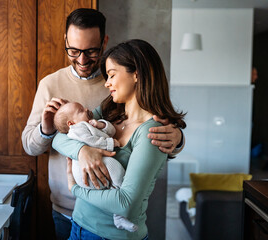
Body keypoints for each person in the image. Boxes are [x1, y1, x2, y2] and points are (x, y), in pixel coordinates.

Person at [21, 8, 184, 240]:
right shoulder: (61, 88)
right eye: (74, 50)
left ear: (104, 42)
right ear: (65, 41)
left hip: (108, 225)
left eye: (91, 51)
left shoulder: (116, 97)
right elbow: (50, 139)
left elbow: (154, 137)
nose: (82, 59)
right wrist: (82, 150)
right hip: (68, 212)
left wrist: (178, 139)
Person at [52, 39, 187, 240]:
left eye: (112, 75)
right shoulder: (109, 111)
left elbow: (126, 204)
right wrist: (83, 151)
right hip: (78, 226)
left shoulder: (153, 132)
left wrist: (76, 190)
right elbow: (59, 137)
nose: (107, 83)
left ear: (136, 74)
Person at [53, 101, 138, 232]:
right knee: (118, 171)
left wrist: (101, 124)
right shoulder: (77, 129)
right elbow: (91, 141)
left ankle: (118, 217)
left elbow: (111, 131)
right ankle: (119, 214)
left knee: (114, 185)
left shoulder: (89, 124)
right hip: (85, 172)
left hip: (92, 170)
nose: (86, 109)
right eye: (81, 111)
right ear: (71, 123)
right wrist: (110, 143)